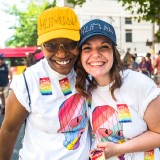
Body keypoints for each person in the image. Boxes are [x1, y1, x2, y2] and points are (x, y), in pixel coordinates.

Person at [0, 6, 90, 160]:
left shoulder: (90, 73)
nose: (62, 54)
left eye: (70, 44)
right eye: (51, 45)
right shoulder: (27, 82)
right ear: (41, 46)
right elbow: (9, 130)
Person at [75, 19, 160, 159]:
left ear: (114, 52)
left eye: (103, 47)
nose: (95, 54)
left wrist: (118, 149)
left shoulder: (139, 84)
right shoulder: (85, 89)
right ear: (80, 56)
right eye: (87, 48)